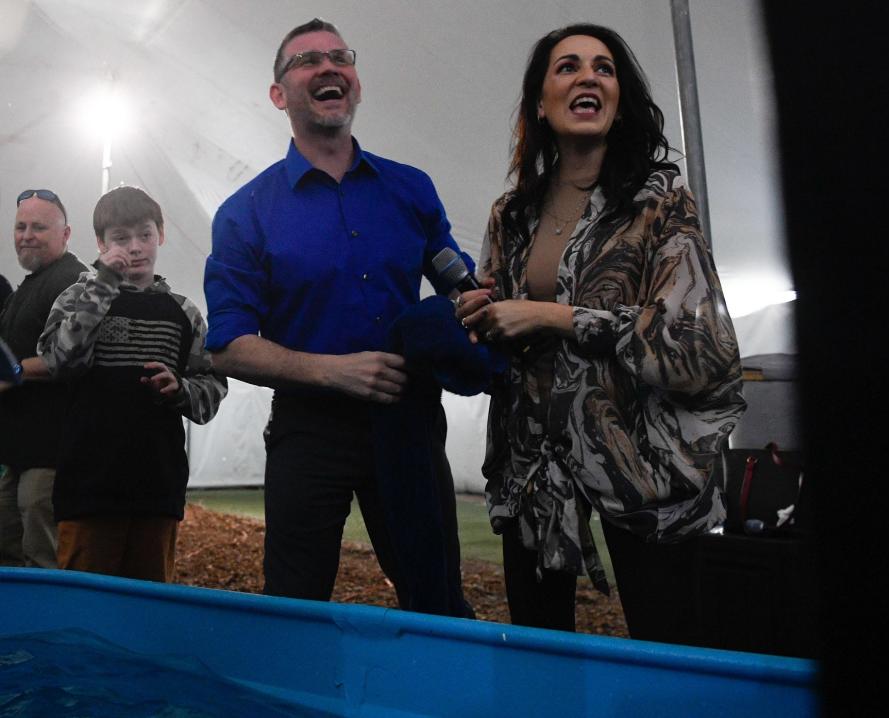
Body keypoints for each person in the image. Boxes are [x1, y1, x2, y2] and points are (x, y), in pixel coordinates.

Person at [457, 24, 746, 644]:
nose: (588, 76)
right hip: (534, 467)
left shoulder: (661, 202)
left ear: (619, 100)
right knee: (540, 654)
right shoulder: (512, 214)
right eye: (567, 67)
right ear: (541, 101)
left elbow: (701, 348)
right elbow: (495, 325)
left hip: (647, 465)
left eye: (603, 68)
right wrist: (479, 318)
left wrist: (554, 316)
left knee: (669, 650)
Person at [203, 19, 474, 615]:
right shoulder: (245, 212)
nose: (327, 67)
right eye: (306, 60)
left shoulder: (411, 189)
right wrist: (332, 372)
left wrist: (478, 306)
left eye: (339, 57)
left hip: (408, 424)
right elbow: (225, 345)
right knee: (294, 610)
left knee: (439, 604)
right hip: (309, 432)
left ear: (354, 82)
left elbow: (461, 282)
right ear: (279, 94)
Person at [37, 186, 226, 582]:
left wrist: (181, 390)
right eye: (120, 239)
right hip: (89, 488)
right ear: (101, 244)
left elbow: (211, 389)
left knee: (148, 609)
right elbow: (61, 361)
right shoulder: (76, 298)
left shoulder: (183, 312)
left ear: (161, 234)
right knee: (86, 606)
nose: (135, 247)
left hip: (157, 487)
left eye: (144, 234)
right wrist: (104, 284)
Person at [0, 189, 87, 568]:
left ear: (66, 234)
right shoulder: (29, 285)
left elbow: (69, 356)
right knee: (9, 550)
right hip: (17, 450)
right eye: (20, 227)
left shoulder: (73, 280)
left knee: (42, 559)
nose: (26, 235)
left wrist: (14, 372)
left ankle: (48, 628)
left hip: (50, 453)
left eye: (38, 227)